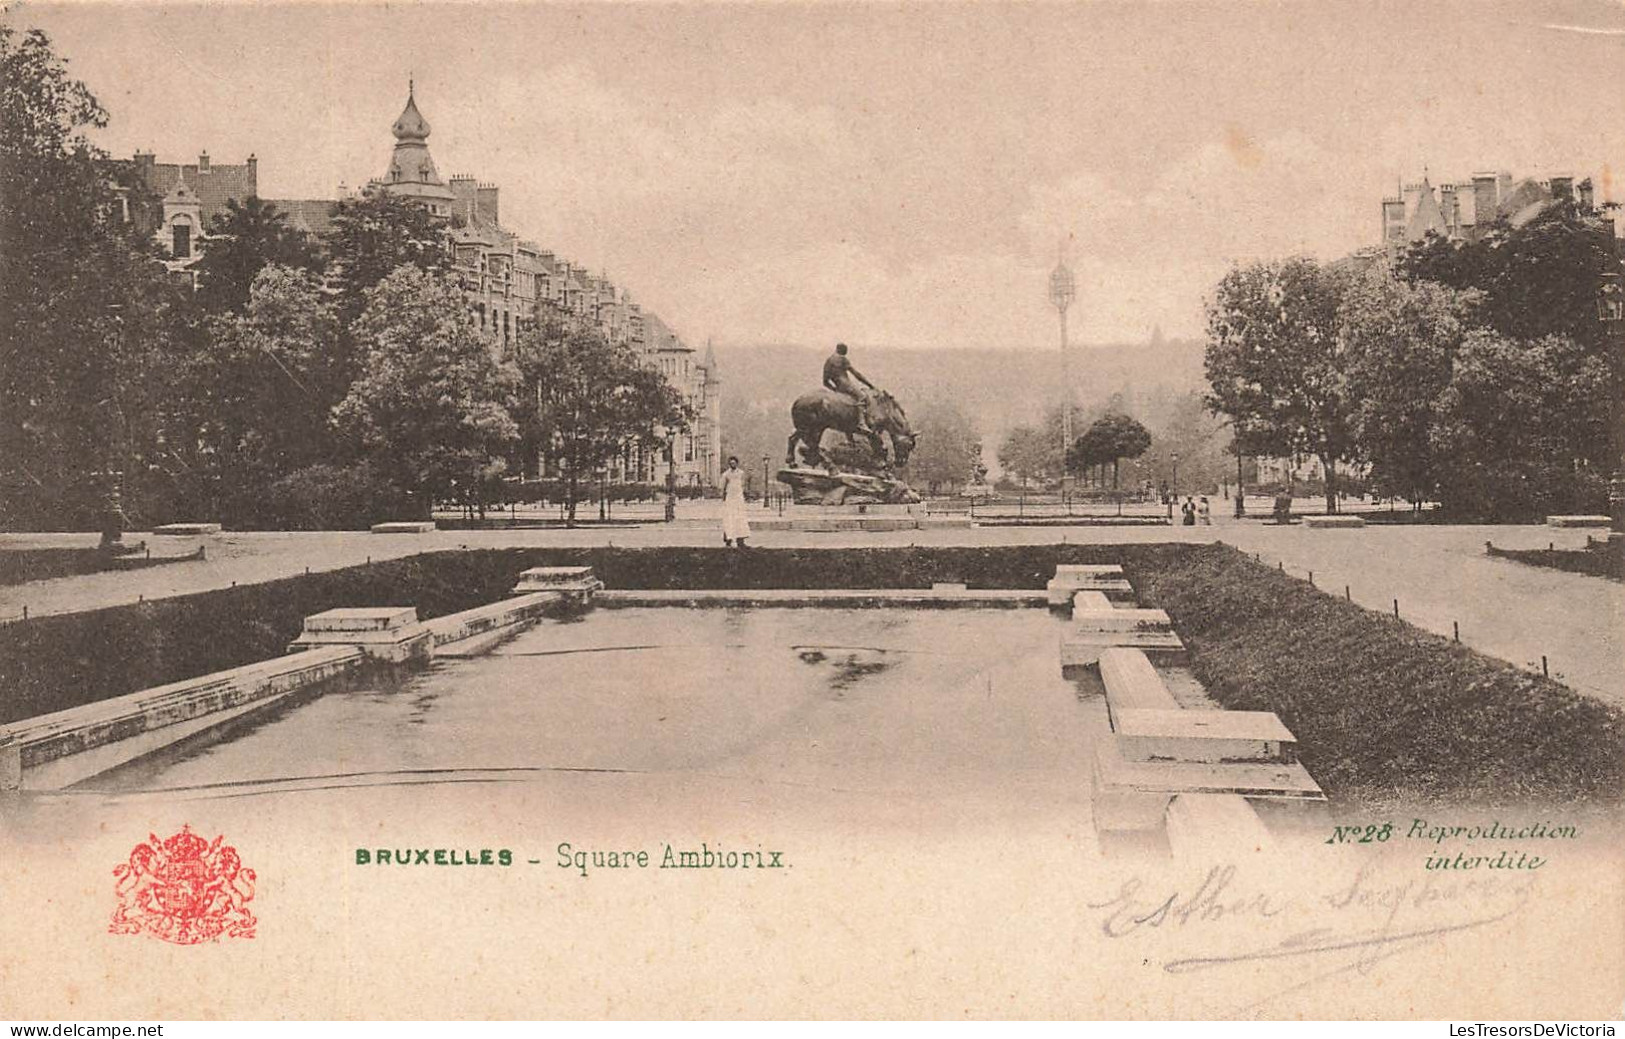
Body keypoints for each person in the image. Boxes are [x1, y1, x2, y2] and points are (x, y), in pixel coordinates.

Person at [822, 342, 877, 433]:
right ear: (843, 350)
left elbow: (825, 381)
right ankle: (861, 422)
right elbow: (856, 374)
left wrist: (834, 389)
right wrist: (870, 385)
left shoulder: (829, 360)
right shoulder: (843, 359)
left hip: (837, 386)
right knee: (862, 397)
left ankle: (849, 435)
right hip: (846, 385)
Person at [720, 456, 751, 548]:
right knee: (729, 518)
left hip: (739, 498)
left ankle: (740, 540)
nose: (732, 465)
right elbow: (722, 487)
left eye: (734, 463)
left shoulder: (741, 473)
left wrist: (746, 494)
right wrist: (723, 496)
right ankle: (728, 539)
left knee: (740, 518)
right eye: (731, 463)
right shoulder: (726, 474)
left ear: (737, 463)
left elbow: (744, 484)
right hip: (730, 498)